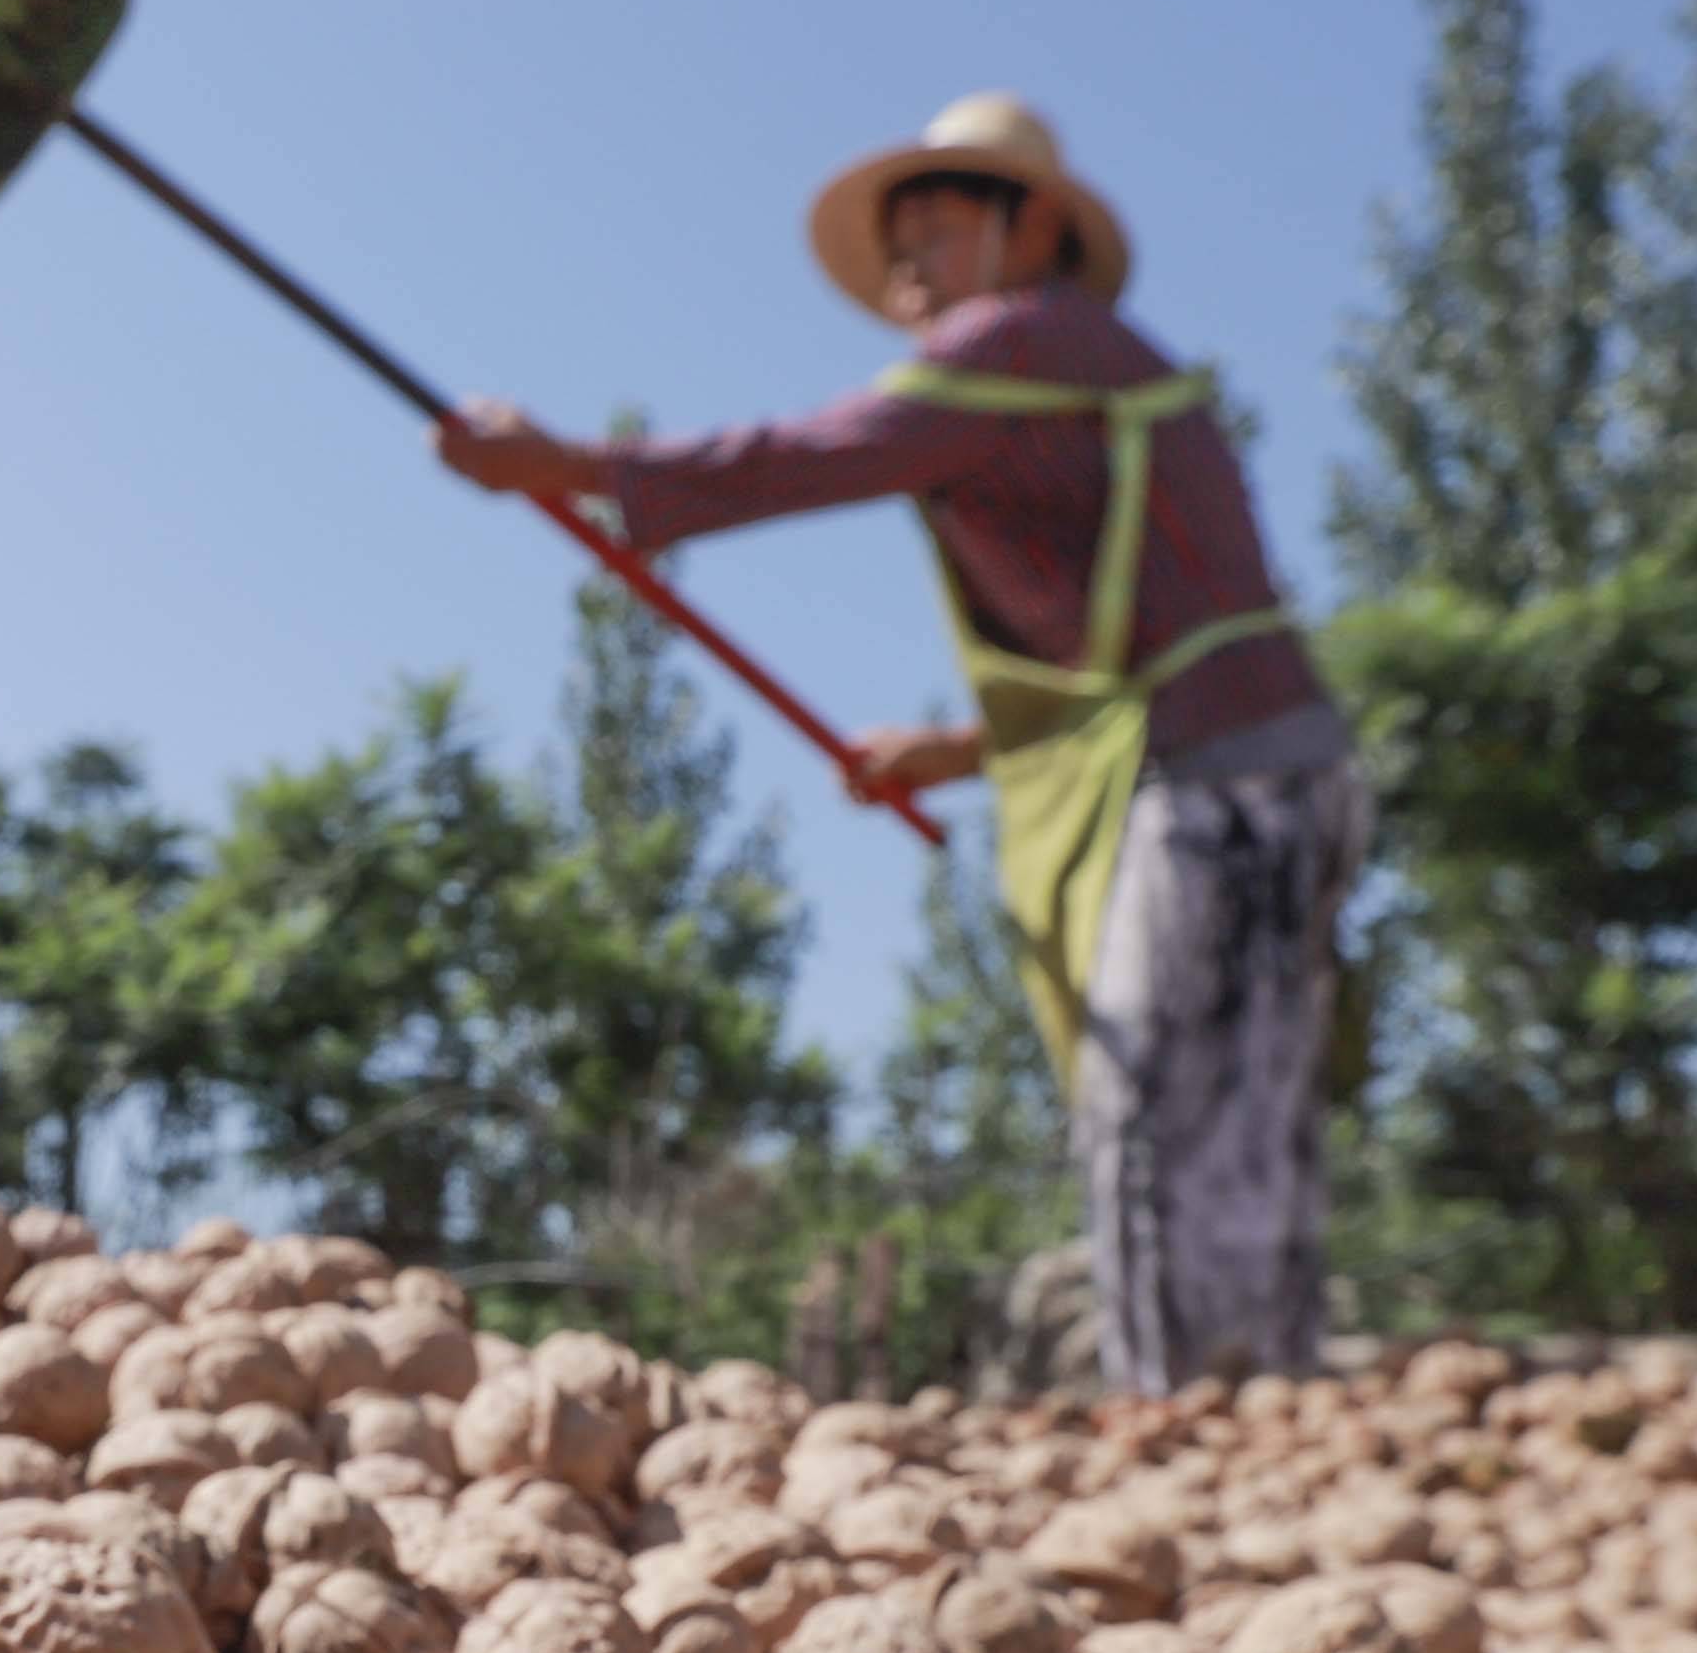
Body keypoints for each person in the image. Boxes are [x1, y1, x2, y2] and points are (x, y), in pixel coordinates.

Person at [439, 93, 1369, 1394]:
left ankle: (1204, 1422)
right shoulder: (1072, 374)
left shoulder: (1032, 339)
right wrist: (954, 752)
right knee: (1228, 1116)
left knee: (1163, 1110)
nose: (908, 274)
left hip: (1227, 783)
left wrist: (572, 463)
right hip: (1255, 768)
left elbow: (816, 455)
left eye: (933, 234)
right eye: (899, 251)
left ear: (1028, 223)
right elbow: (1135, 651)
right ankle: (1248, 1411)